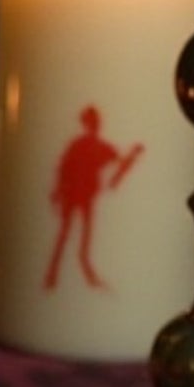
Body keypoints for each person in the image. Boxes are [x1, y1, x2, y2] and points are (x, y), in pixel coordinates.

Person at [44, 104, 142, 291]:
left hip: (85, 197)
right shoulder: (80, 145)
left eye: (96, 122)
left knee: (81, 234)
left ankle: (80, 270)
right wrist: (58, 190)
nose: (95, 125)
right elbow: (63, 167)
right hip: (72, 194)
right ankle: (53, 273)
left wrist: (134, 153)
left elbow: (120, 163)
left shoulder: (100, 147)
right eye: (93, 122)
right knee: (66, 233)